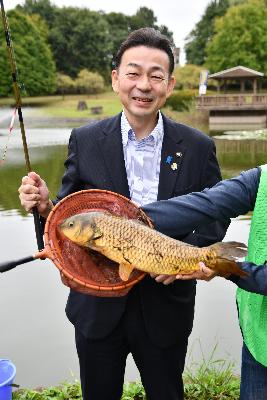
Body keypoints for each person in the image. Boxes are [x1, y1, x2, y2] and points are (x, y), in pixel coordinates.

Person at [18, 28, 228, 400]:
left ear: (170, 84)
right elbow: (67, 223)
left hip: (166, 308)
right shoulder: (84, 140)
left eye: (155, 75)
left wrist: (181, 259)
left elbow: (215, 216)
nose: (143, 85)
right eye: (133, 73)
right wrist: (46, 207)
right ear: (115, 79)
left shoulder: (197, 147)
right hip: (97, 309)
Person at [143, 165, 267, 400]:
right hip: (260, 339)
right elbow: (206, 204)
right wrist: (129, 219)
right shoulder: (262, 179)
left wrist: (228, 269)